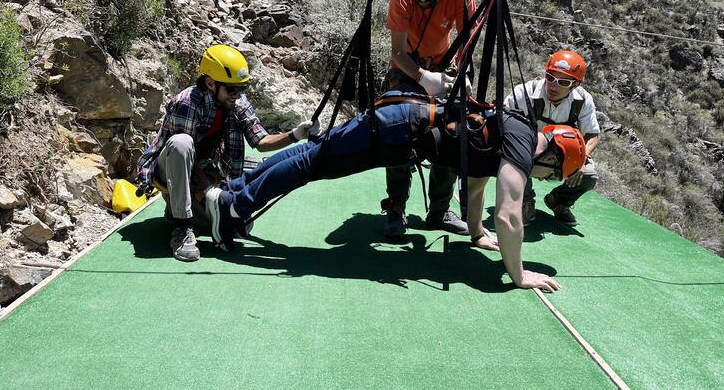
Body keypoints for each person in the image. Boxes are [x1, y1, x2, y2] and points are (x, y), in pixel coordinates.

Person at [204, 94, 587, 292]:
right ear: (552, 155)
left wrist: (476, 232)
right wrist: (518, 274)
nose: (544, 179)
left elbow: (476, 181)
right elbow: (509, 215)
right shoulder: (523, 148)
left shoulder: (516, 130)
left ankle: (233, 193)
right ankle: (234, 205)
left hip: (402, 120)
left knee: (312, 155)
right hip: (399, 128)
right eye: (552, 175)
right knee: (311, 162)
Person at [135, 44, 320, 262]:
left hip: (208, 171)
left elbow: (260, 141)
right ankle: (182, 227)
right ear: (211, 83)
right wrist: (210, 191)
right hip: (172, 171)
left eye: (242, 89)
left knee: (227, 224)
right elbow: (183, 157)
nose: (238, 95)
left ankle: (180, 212)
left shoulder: (236, 102)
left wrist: (295, 135)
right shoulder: (187, 102)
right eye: (232, 89)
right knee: (182, 143)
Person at [382, 0, 476, 237]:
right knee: (397, 130)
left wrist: (463, 74)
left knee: (452, 131)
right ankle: (396, 208)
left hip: (445, 66)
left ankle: (439, 210)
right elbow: (398, 53)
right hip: (408, 68)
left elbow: (466, 45)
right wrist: (423, 77)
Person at [503, 50, 600, 226]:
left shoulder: (583, 100)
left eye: (563, 81)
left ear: (575, 84)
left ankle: (559, 200)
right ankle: (524, 200)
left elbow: (592, 135)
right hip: (527, 148)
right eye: (550, 77)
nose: (553, 86)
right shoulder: (526, 92)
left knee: (589, 175)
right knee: (515, 158)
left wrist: (581, 160)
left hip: (561, 152)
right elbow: (503, 120)